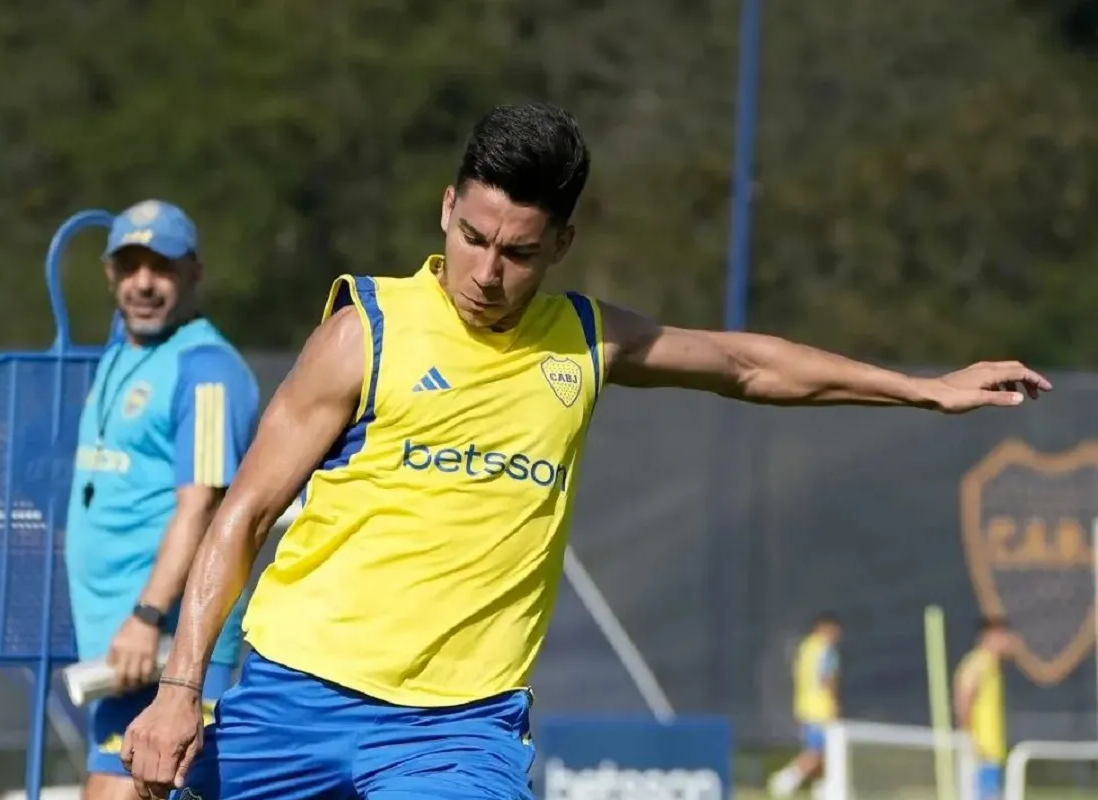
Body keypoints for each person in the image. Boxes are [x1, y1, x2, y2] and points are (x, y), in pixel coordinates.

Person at [120, 103, 1049, 800]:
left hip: (458, 730)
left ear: (561, 242)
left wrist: (923, 388)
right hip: (294, 696)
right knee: (112, 787)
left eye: (518, 252)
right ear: (446, 208)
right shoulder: (365, 330)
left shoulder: (587, 342)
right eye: (472, 236)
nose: (486, 271)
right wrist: (178, 686)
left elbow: (748, 364)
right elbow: (240, 512)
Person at [65, 199, 260, 800]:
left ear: (195, 273)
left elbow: (200, 505)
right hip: (122, 656)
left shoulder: (206, 371)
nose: (144, 283)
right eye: (130, 266)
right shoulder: (126, 350)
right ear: (109, 274)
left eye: (162, 266)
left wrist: (148, 616)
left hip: (169, 655)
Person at [769, 613, 843, 799]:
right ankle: (784, 780)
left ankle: (822, 790)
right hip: (821, 709)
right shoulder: (825, 650)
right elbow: (826, 679)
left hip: (805, 706)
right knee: (815, 752)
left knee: (825, 753)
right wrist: (834, 703)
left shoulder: (806, 648)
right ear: (826, 628)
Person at [954, 616, 1012, 800]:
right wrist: (967, 736)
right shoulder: (978, 663)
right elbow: (964, 697)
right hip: (981, 750)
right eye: (1001, 636)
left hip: (991, 751)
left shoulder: (993, 665)